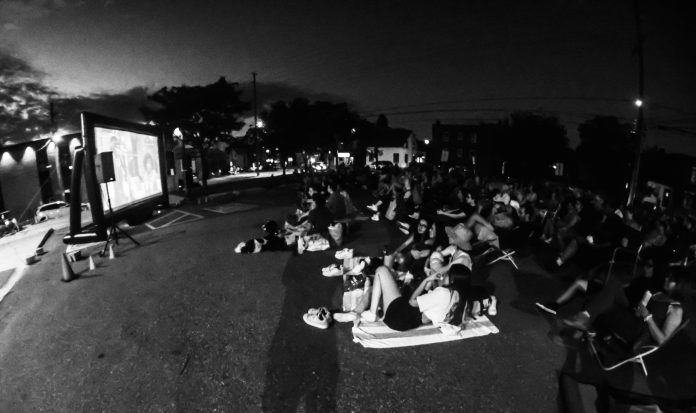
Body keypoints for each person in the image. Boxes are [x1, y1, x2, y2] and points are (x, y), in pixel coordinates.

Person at [562, 266, 690, 348]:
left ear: (680, 285)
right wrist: (638, 309)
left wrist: (647, 316)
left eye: (671, 279)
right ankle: (583, 323)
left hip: (635, 330)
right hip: (633, 316)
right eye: (669, 276)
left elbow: (662, 341)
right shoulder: (661, 293)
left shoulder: (676, 310)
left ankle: (579, 330)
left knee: (605, 297)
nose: (667, 278)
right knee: (613, 284)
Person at [360, 263, 466, 332]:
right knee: (380, 289)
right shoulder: (461, 298)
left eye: (447, 275)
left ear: (452, 279)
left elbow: (412, 301)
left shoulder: (444, 293)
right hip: (409, 322)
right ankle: (366, 307)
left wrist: (426, 280)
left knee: (381, 270)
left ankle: (372, 313)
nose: (445, 275)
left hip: (398, 316)